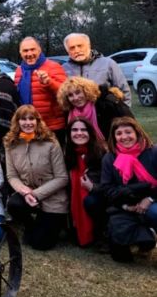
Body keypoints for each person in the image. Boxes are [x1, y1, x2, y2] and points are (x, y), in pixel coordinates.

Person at [4, 105, 69, 251]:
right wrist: (25, 192)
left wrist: (35, 194)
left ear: (37, 121)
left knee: (40, 244)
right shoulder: (11, 143)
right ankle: (30, 223)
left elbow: (62, 177)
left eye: (31, 118)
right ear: (17, 122)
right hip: (27, 193)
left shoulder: (51, 142)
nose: (28, 123)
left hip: (52, 197)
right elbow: (12, 175)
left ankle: (49, 222)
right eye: (23, 119)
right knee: (14, 204)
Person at [99, 117, 157, 262]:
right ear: (114, 137)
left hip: (152, 200)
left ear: (137, 132)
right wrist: (125, 206)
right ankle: (146, 236)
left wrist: (149, 200)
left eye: (128, 132)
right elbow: (106, 188)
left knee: (155, 212)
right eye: (119, 133)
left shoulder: (153, 152)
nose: (124, 137)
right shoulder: (109, 158)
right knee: (120, 257)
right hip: (124, 204)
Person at [14, 37, 67, 144]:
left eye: (33, 49)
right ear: (20, 53)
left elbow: (65, 94)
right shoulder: (19, 70)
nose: (29, 53)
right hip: (28, 127)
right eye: (25, 51)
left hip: (52, 127)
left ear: (39, 50)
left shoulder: (53, 67)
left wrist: (49, 83)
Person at [65, 118, 108, 247]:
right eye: (74, 130)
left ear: (90, 132)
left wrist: (92, 187)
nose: (79, 133)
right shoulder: (69, 153)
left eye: (83, 129)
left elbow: (110, 185)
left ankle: (102, 234)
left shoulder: (101, 153)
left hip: (100, 198)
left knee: (91, 201)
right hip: (76, 199)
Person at [56, 76, 133, 142]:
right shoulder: (69, 113)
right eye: (70, 95)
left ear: (86, 91)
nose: (75, 98)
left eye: (78, 92)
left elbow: (130, 124)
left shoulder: (107, 103)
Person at [62, 32, 131, 106]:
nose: (77, 50)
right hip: (77, 116)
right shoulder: (63, 69)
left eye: (80, 46)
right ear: (67, 51)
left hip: (106, 113)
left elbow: (124, 91)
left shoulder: (108, 63)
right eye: (72, 48)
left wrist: (125, 114)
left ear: (89, 45)